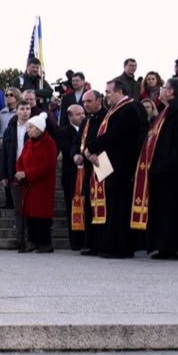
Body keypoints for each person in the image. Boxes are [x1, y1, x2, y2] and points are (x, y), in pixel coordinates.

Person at [133, 78, 178, 260]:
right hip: (161, 172)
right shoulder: (166, 112)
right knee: (165, 211)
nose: (161, 90)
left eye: (164, 87)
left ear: (172, 92)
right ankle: (166, 246)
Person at [84, 80, 148, 258]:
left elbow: (116, 135)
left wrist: (92, 146)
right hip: (111, 164)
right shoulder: (119, 109)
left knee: (120, 206)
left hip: (123, 166)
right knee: (113, 204)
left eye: (108, 92)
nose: (106, 95)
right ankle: (110, 244)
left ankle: (120, 247)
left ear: (119, 91)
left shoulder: (130, 109)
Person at [15, 113, 57, 253]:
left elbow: (47, 166)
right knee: (30, 213)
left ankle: (45, 243)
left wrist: (28, 174)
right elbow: (20, 161)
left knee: (41, 214)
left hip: (42, 185)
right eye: (28, 127)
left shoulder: (49, 143)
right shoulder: (28, 144)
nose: (28, 130)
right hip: (28, 184)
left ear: (39, 129)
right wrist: (20, 172)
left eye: (31, 127)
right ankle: (32, 241)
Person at [74, 91, 106, 255]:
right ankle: (91, 243)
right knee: (89, 205)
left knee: (104, 204)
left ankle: (102, 243)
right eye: (84, 101)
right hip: (87, 167)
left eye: (89, 101)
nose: (85, 104)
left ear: (99, 101)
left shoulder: (107, 117)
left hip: (103, 165)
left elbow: (108, 139)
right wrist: (77, 154)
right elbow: (78, 141)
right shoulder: (85, 120)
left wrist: (94, 152)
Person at [58, 104, 85, 250]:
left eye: (82, 113)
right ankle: (75, 241)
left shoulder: (87, 128)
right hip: (71, 175)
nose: (82, 116)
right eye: (78, 114)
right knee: (72, 207)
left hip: (86, 174)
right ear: (70, 117)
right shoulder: (63, 132)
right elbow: (68, 150)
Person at [0, 101, 32, 220]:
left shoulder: (35, 128)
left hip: (30, 169)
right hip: (14, 168)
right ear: (17, 111)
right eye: (22, 109)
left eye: (27, 109)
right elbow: (4, 154)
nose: (25, 111)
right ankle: (20, 236)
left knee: (31, 205)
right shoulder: (9, 130)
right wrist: (3, 175)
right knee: (18, 207)